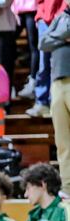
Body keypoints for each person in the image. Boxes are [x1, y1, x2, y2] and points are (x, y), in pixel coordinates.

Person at [40, 2, 70, 197]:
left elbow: (50, 41)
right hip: (58, 83)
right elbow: (42, 43)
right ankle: (67, 187)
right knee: (63, 142)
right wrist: (64, 37)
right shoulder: (61, 17)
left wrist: (56, 38)